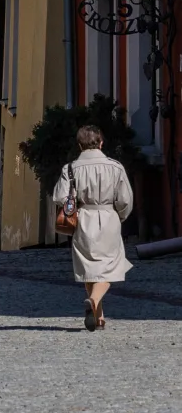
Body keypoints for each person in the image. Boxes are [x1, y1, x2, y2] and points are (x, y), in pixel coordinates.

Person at [53, 124, 134, 331]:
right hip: (108, 217)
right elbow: (125, 200)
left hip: (82, 219)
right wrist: (120, 217)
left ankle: (99, 317)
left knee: (90, 268)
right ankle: (94, 300)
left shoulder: (70, 168)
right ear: (100, 142)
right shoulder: (116, 167)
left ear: (80, 145)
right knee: (109, 268)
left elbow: (60, 197)